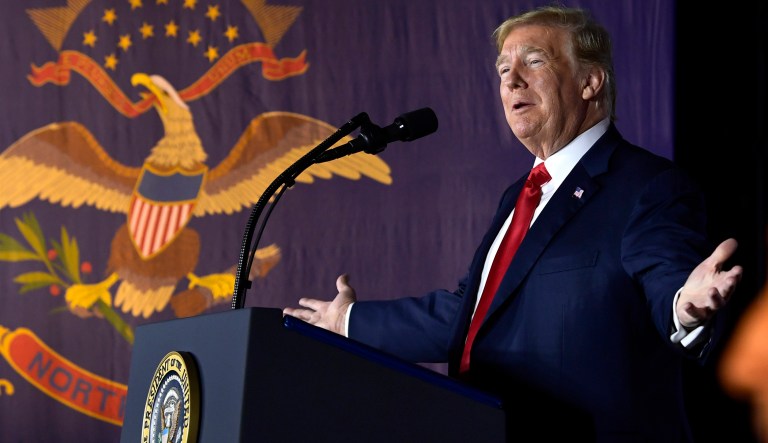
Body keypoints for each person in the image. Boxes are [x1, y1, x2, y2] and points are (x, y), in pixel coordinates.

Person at [284, 5, 742, 441]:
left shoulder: (647, 185)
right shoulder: (520, 195)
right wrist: (347, 320)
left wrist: (684, 305)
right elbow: (470, 316)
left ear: (590, 82)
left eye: (534, 61)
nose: (512, 80)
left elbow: (665, 276)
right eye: (503, 70)